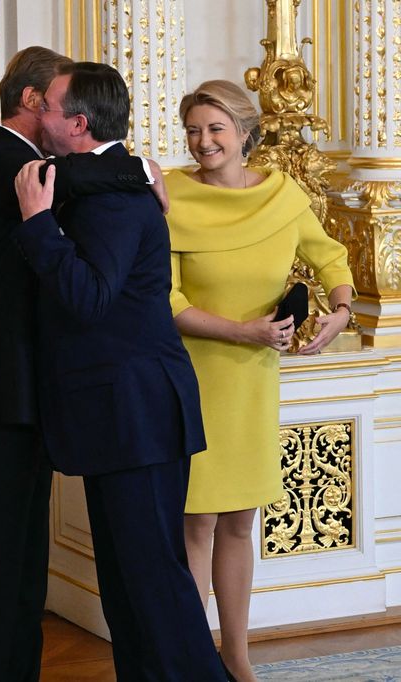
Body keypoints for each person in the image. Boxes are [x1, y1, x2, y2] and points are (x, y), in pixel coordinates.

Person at [0, 46, 166, 682]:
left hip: (18, 388)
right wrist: (139, 170)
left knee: (17, 559)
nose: (75, 123)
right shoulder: (6, 161)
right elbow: (74, 179)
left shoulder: (24, 162)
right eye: (65, 106)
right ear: (35, 103)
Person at [12, 61, 226, 679]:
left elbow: (89, 298)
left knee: (153, 580)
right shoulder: (108, 180)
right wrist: (134, 165)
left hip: (137, 411)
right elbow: (83, 174)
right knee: (128, 585)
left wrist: (36, 227)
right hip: (121, 415)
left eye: (47, 107)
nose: (37, 115)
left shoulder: (114, 202)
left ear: (77, 123)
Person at [167, 80, 355, 682]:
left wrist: (341, 312)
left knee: (241, 521)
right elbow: (161, 299)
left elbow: (331, 258)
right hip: (193, 376)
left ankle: (237, 657)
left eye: (215, 129)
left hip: (252, 383)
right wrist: (241, 332)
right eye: (194, 130)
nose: (203, 142)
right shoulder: (167, 195)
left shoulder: (282, 195)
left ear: (245, 133)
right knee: (196, 521)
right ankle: (193, 659)